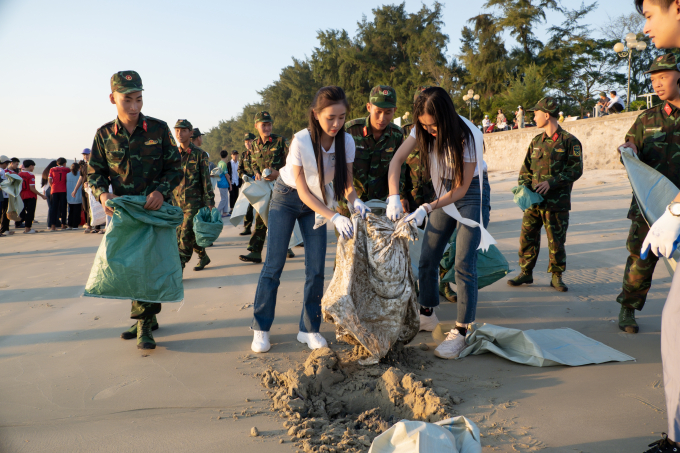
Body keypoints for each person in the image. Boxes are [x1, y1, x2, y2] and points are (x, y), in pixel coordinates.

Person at [250, 86, 364, 353]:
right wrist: (334, 215)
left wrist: (354, 201)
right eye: (330, 118)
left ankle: (309, 329)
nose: (336, 124)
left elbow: (345, 180)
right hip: (287, 198)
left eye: (342, 117)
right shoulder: (300, 141)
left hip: (321, 199)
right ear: (316, 114)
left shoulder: (345, 142)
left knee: (315, 269)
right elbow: (302, 190)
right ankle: (261, 328)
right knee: (273, 265)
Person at [386, 87, 492, 360]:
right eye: (424, 125)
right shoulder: (421, 128)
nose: (429, 130)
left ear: (446, 116)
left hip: (470, 192)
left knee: (462, 263)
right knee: (428, 256)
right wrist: (394, 197)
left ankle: (462, 331)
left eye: (434, 125)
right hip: (444, 187)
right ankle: (427, 314)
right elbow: (396, 161)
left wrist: (427, 206)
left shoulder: (469, 136)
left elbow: (461, 188)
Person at [88, 70, 181, 350]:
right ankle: (148, 317)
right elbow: (95, 173)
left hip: (153, 209)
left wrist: (159, 191)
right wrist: (103, 194)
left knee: (150, 264)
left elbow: (175, 168)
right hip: (124, 213)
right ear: (112, 98)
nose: (133, 107)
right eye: (127, 100)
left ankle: (143, 324)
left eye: (139, 99)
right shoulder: (104, 134)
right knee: (129, 265)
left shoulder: (158, 129)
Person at [635, 3, 680, 452]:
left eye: (650, 11)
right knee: (672, 324)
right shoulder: (650, 117)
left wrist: (677, 212)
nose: (645, 25)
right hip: (660, 216)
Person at [615, 53, 680, 335]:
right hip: (648, 206)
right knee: (640, 258)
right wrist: (627, 151)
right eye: (653, 80)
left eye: (663, 77)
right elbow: (629, 150)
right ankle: (628, 307)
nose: (657, 84)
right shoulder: (646, 119)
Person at [507, 97, 583, 291]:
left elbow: (575, 170)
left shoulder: (569, 141)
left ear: (546, 115)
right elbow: (525, 169)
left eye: (536, 113)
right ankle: (526, 273)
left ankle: (556, 276)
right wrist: (523, 187)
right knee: (527, 237)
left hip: (557, 203)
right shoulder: (536, 141)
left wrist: (551, 183)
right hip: (534, 202)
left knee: (556, 241)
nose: (533, 117)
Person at [344, 85, 407, 217]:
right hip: (350, 203)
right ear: (369, 107)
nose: (382, 118)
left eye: (388, 112)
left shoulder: (397, 135)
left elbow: (400, 170)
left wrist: (396, 196)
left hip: (381, 205)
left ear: (394, 110)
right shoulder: (350, 131)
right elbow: (339, 168)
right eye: (378, 111)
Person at [239, 111, 293, 264]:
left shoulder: (281, 141)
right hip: (264, 187)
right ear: (256, 126)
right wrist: (256, 172)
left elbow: (294, 160)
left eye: (269, 124)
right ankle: (256, 252)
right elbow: (254, 162)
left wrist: (279, 173)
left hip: (282, 185)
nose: (267, 127)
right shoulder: (255, 144)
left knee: (280, 217)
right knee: (261, 216)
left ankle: (288, 246)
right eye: (264, 125)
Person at [172, 119, 215, 271]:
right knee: (183, 235)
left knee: (185, 237)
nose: (179, 133)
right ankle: (203, 256)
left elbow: (206, 179)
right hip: (176, 204)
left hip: (194, 204)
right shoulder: (173, 154)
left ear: (190, 133)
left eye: (183, 130)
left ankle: (178, 268)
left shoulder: (199, 155)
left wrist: (210, 202)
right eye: (177, 130)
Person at [18, 160, 46, 234]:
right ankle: (28, 228)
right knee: (30, 212)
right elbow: (31, 188)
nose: (33, 168)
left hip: (22, 195)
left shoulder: (19, 174)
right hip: (30, 195)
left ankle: (25, 227)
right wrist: (41, 195)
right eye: (33, 166)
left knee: (23, 211)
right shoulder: (31, 175)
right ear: (30, 166)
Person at [239, 133, 256, 236]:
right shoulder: (244, 154)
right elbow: (240, 168)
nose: (247, 144)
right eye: (246, 142)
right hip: (248, 184)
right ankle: (247, 227)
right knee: (248, 207)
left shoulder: (259, 153)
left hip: (259, 183)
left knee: (261, 207)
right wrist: (242, 175)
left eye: (249, 141)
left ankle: (266, 228)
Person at [48, 158, 70, 231]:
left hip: (54, 190)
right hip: (63, 189)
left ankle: (53, 226)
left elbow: (50, 180)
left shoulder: (52, 169)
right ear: (64, 163)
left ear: (57, 163)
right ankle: (63, 225)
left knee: (54, 208)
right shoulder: (67, 169)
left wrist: (52, 186)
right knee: (63, 208)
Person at [41, 161, 57, 231]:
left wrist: (43, 190)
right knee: (52, 208)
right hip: (52, 189)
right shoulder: (53, 171)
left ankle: (50, 224)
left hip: (46, 189)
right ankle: (50, 224)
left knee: (50, 207)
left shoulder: (45, 171)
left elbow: (44, 183)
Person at [66, 162, 83, 230]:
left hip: (70, 196)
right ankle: (75, 225)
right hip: (78, 195)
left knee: (70, 211)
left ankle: (69, 225)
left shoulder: (67, 175)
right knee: (77, 211)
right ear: (79, 168)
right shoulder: (80, 174)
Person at [0, 156, 11, 236]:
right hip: (4, 195)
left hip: (3, 194)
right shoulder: (2, 171)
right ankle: (4, 229)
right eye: (6, 163)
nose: (6, 165)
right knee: (4, 212)